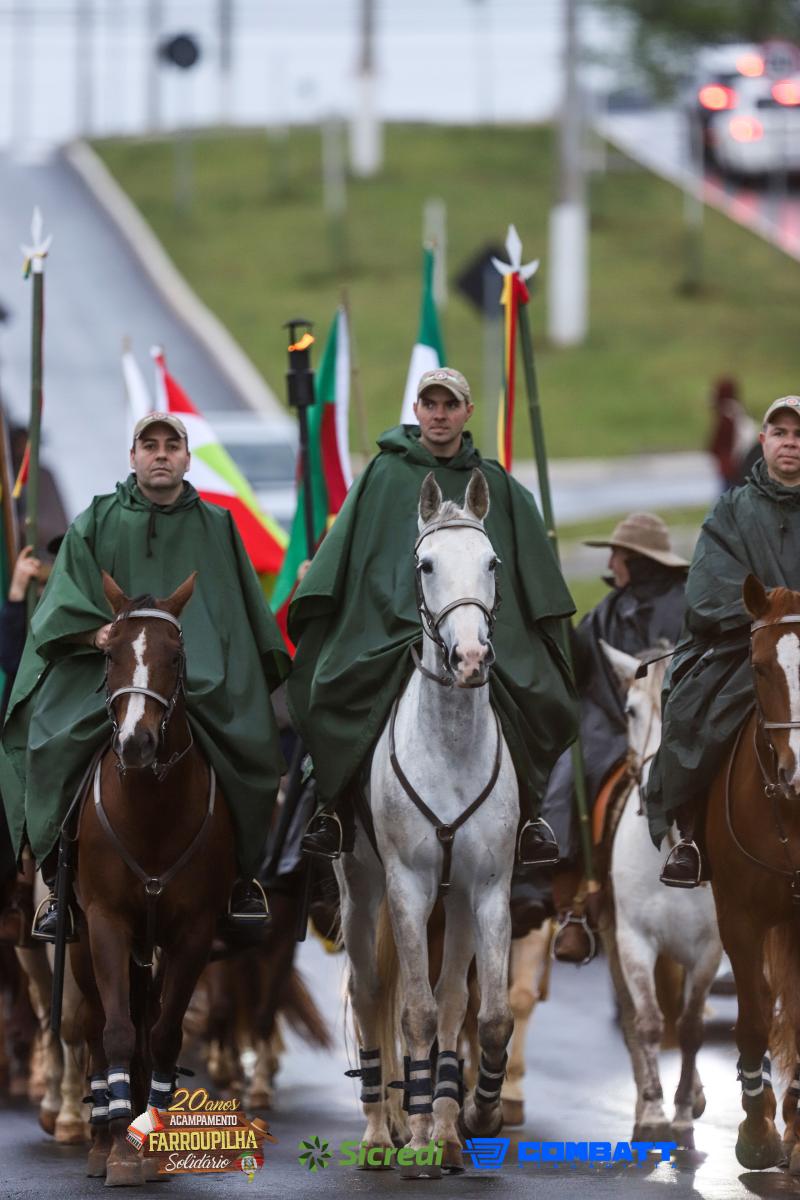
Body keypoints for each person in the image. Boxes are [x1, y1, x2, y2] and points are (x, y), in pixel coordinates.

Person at [0, 414, 290, 940]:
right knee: (51, 741)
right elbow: (64, 597)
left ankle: (243, 879)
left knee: (254, 746)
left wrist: (228, 665)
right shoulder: (96, 519)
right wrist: (95, 634)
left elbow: (238, 612)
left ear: (186, 458)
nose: (160, 454)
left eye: (171, 445)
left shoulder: (219, 525)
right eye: (149, 445)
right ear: (132, 456)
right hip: (108, 672)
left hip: (201, 677)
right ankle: (59, 882)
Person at [288, 367, 578, 868]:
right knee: (332, 687)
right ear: (417, 410)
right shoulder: (382, 476)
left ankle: (529, 815)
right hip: (387, 627)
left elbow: (526, 575)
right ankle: (334, 808)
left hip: (480, 630)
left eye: (450, 405)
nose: (439, 415)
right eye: (430, 404)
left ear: (467, 412)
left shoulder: (498, 485)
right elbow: (355, 565)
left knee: (538, 692)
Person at [650, 395, 800, 886]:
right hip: (747, 644)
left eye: (799, 435)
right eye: (781, 433)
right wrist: (765, 618)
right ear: (763, 441)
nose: (790, 443)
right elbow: (707, 587)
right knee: (690, 705)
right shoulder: (732, 509)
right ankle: (692, 837)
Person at [707, 376, 759, 492]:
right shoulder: (738, 411)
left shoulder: (727, 416)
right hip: (739, 467)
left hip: (731, 468)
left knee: (728, 497)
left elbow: (719, 443)